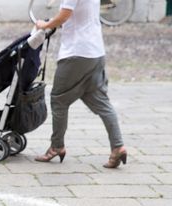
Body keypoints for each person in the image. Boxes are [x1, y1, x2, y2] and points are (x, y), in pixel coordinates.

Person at [35, 0, 127, 168]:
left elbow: (64, 15)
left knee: (59, 99)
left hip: (77, 52)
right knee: (100, 101)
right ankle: (118, 146)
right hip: (96, 52)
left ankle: (57, 146)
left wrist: (44, 25)